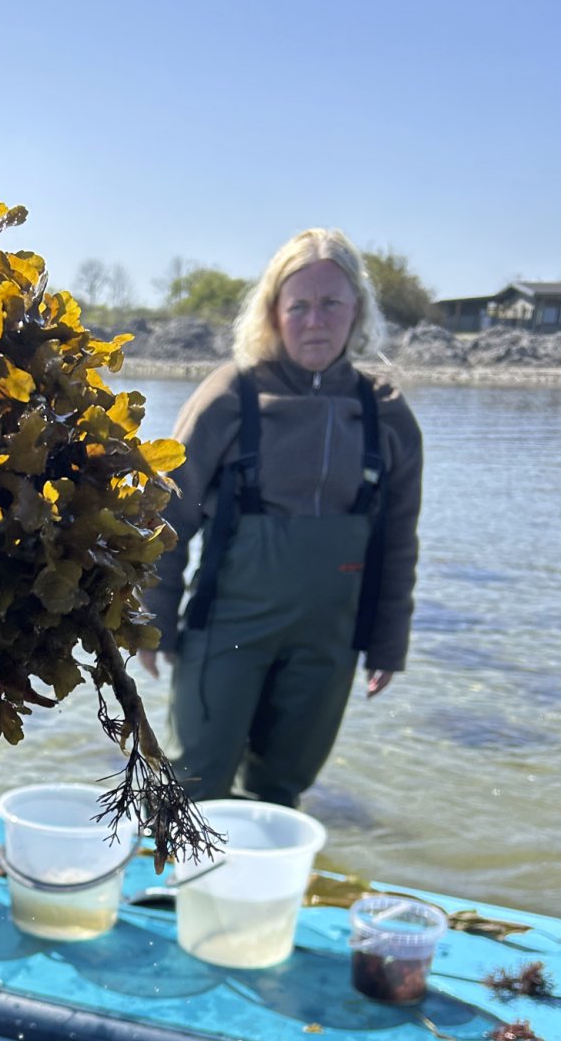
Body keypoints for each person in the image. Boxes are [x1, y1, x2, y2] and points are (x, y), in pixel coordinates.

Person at [139, 228, 423, 807]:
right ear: (273, 312)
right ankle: (170, 886)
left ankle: (259, 889)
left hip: (329, 641)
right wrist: (152, 621)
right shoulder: (228, 395)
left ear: (357, 311)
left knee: (281, 789)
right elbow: (165, 519)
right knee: (194, 780)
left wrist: (388, 644)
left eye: (331, 304)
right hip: (229, 627)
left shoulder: (387, 413)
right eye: (299, 306)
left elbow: (397, 543)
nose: (315, 319)